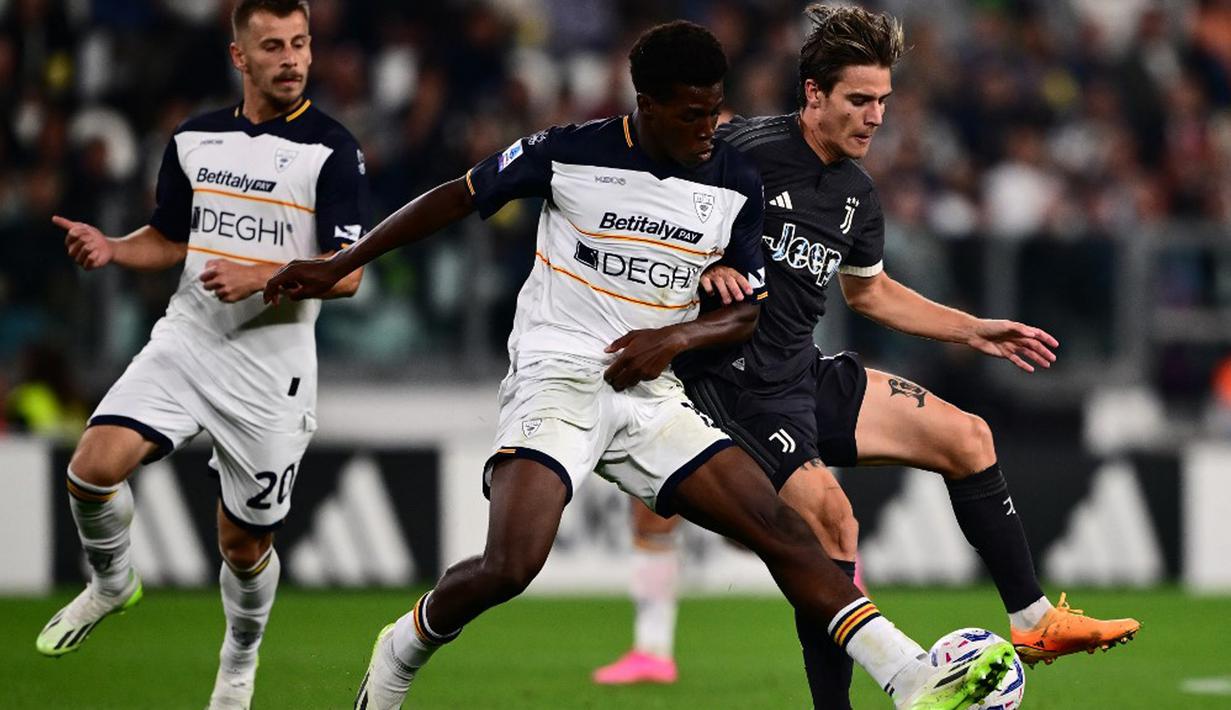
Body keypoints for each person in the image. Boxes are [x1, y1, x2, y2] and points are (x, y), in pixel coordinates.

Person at [267, 20, 1013, 710]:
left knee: (784, 530)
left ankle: (910, 676)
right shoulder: (568, 151)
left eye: (715, 110)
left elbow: (749, 307)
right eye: (690, 114)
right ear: (646, 105)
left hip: (653, 391)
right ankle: (402, 647)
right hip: (558, 378)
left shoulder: (731, 181)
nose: (707, 129)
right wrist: (344, 258)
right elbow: (456, 198)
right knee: (510, 566)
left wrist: (673, 341)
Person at [592, 5, 1141, 706]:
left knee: (967, 438)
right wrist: (685, 274)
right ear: (813, 94)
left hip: (799, 373)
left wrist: (971, 329)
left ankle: (1032, 622)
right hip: (727, 386)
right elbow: (648, 209)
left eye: (882, 100)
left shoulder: (855, 193)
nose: (875, 117)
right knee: (832, 521)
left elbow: (871, 293)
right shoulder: (742, 153)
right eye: (858, 99)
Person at [35, 2, 368, 709]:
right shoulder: (195, 138)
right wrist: (114, 249)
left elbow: (349, 272)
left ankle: (238, 663)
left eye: (301, 43)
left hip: (269, 370)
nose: (292, 59)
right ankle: (112, 582)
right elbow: (169, 234)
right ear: (239, 56)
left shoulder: (331, 149)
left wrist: (263, 275)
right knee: (91, 468)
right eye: (273, 45)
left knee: (242, 548)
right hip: (187, 340)